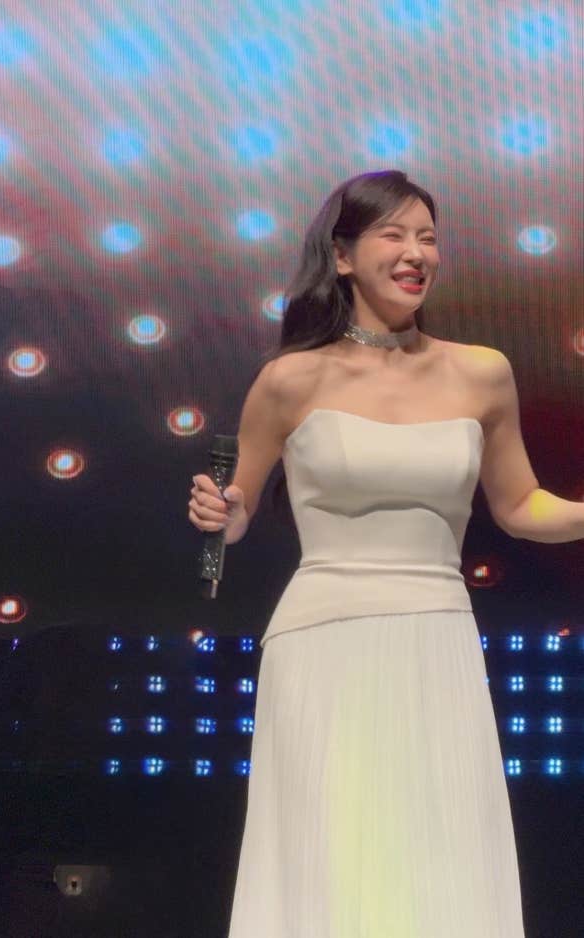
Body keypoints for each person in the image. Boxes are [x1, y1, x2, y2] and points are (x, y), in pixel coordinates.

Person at [188, 170, 584, 937]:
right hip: (322, 640)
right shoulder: (290, 379)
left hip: (436, 634)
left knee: (438, 849)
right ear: (342, 256)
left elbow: (519, 505)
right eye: (394, 235)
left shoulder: (481, 371)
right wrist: (221, 513)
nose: (416, 253)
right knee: (331, 855)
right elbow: (237, 509)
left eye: (428, 238)